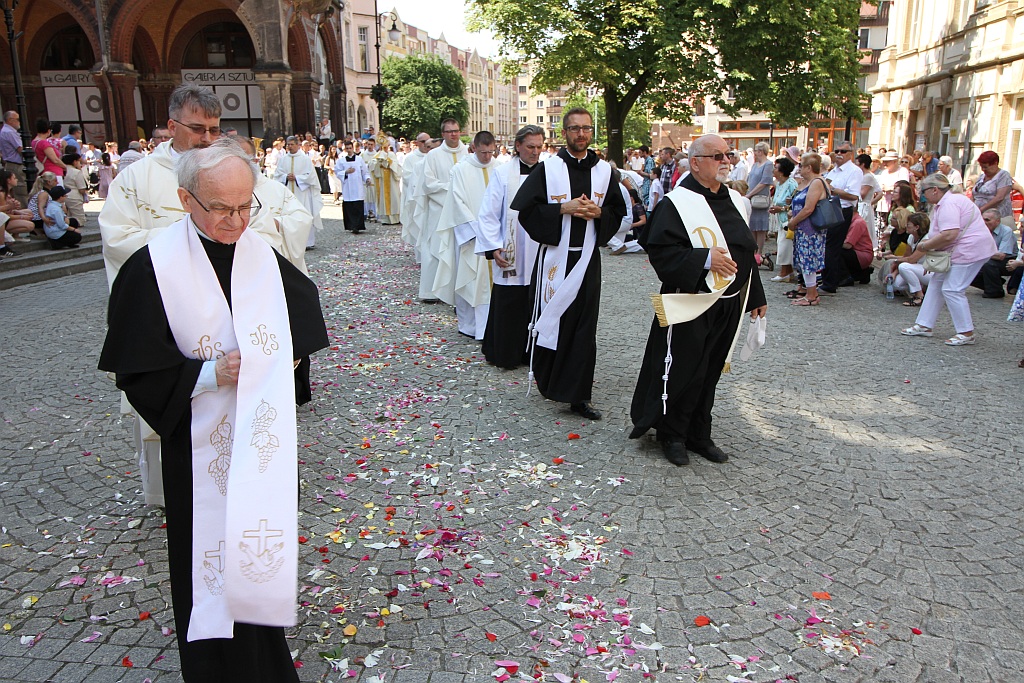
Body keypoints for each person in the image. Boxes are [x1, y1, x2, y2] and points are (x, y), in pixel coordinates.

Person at [98, 141, 328, 682]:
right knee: (208, 562)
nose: (237, 221)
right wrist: (209, 374)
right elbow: (138, 368)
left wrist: (288, 356)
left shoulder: (258, 253)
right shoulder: (152, 267)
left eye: (246, 206)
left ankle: (267, 665)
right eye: (222, 208)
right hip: (196, 443)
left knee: (255, 553)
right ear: (186, 199)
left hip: (261, 439)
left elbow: (303, 314)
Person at [99, 84, 284, 509]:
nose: (207, 138)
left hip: (233, 314)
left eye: (214, 129)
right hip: (170, 314)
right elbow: (117, 239)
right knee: (170, 424)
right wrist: (182, 244)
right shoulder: (138, 178)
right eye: (198, 128)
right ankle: (168, 496)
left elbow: (264, 229)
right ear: (171, 125)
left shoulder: (228, 170)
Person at [629, 134, 766, 466]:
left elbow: (746, 251)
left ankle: (699, 433)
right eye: (717, 156)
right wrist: (704, 259)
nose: (726, 161)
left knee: (710, 369)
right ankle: (672, 434)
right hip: (691, 300)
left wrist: (756, 296)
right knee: (682, 368)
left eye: (727, 155)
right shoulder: (675, 203)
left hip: (729, 301)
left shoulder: (736, 200)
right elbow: (661, 253)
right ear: (695, 162)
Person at [509, 107, 627, 420]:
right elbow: (526, 211)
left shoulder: (604, 172)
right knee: (553, 318)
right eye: (574, 129)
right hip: (554, 258)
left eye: (586, 128)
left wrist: (599, 213)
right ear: (564, 133)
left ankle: (578, 395)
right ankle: (549, 381)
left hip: (586, 259)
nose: (581, 134)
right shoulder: (548, 169)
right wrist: (563, 208)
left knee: (584, 327)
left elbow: (617, 213)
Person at [476, 124, 544, 369]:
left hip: (540, 247)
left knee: (539, 298)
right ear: (518, 146)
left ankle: (535, 354)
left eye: (539, 147)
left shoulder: (549, 173)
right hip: (512, 248)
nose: (535, 152)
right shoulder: (503, 173)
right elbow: (488, 213)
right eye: (530, 147)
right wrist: (493, 246)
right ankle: (506, 353)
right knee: (510, 300)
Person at [901, 173, 997, 346]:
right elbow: (948, 235)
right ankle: (924, 324)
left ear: (934, 190)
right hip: (964, 250)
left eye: (923, 191)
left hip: (969, 251)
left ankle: (966, 332)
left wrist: (925, 246)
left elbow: (949, 234)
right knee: (937, 284)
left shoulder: (949, 203)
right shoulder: (949, 201)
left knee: (953, 289)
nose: (922, 195)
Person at [432, 131, 498, 339]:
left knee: (493, 281)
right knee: (469, 279)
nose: (487, 157)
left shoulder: (499, 168)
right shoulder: (461, 170)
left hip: (495, 235)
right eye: (483, 152)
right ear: (474, 148)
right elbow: (456, 202)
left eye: (491, 152)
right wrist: (477, 229)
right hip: (472, 236)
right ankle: (470, 326)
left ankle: (494, 327)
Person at [233, 135, 314, 274]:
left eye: (244, 159)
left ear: (255, 160)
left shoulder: (276, 189)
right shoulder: (215, 192)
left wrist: (277, 224)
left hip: (274, 267)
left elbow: (302, 218)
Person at [417, 119, 468, 301]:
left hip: (463, 209)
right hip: (439, 209)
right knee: (436, 247)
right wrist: (451, 189)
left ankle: (459, 290)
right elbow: (428, 184)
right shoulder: (433, 155)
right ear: (443, 134)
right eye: (449, 131)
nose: (453, 134)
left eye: (456, 130)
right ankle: (432, 291)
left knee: (461, 249)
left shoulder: (468, 153)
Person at [785, 153, 830, 306]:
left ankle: (811, 295)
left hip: (810, 229)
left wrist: (793, 222)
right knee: (804, 260)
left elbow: (809, 208)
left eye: (801, 166)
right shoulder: (811, 182)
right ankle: (810, 292)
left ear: (809, 168)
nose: (799, 169)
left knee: (808, 260)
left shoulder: (817, 182)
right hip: (805, 228)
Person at [820, 140, 863, 294]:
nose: (839, 154)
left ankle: (830, 283)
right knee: (826, 245)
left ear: (850, 154)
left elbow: (853, 196)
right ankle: (828, 278)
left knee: (831, 247)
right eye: (837, 151)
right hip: (829, 208)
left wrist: (832, 189)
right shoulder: (834, 170)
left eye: (843, 151)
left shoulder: (854, 171)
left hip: (842, 209)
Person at [273, 136, 322, 251]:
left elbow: (311, 176)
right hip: (287, 192)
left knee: (304, 215)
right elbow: (277, 175)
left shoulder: (305, 159)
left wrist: (298, 178)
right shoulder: (283, 159)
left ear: (297, 145)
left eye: (292, 144)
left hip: (302, 192)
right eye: (288, 145)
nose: (289, 147)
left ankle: (307, 242)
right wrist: (286, 177)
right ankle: (290, 241)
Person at [886, 212, 932, 306]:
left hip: (929, 270)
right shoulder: (911, 237)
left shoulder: (926, 239)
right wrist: (894, 273)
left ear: (917, 227)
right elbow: (906, 257)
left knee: (904, 267)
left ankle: (919, 295)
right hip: (917, 269)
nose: (906, 226)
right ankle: (921, 288)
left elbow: (911, 260)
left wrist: (895, 260)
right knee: (896, 284)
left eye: (908, 224)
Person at [970, 208, 1019, 298]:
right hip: (989, 257)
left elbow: (1001, 256)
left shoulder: (1006, 231)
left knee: (988, 264)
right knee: (967, 268)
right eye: (982, 219)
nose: (984, 222)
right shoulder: (980, 230)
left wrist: (977, 253)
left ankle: (994, 291)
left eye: (987, 220)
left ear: (997, 221)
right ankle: (996, 284)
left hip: (1009, 260)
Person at [400, 133, 430, 260]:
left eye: (428, 141)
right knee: (419, 227)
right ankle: (421, 256)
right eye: (423, 142)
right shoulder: (411, 158)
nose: (426, 144)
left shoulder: (434, 156)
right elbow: (407, 177)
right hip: (417, 198)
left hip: (431, 198)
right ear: (417, 143)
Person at [768, 156, 798, 283]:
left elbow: (795, 203)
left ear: (781, 171)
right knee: (782, 244)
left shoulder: (791, 184)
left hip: (788, 219)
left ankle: (784, 272)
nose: (773, 170)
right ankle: (788, 271)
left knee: (785, 246)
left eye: (776, 168)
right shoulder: (779, 184)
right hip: (780, 220)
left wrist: (780, 209)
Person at [334, 139, 371, 233]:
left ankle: (358, 226)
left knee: (358, 207)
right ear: (344, 149)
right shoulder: (341, 160)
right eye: (347, 148)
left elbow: (364, 172)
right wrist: (346, 172)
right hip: (348, 187)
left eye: (350, 148)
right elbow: (337, 172)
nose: (349, 150)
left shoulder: (359, 159)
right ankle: (351, 226)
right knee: (349, 208)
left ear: (353, 148)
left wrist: (367, 179)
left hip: (358, 187)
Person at [972, 150, 1015, 228]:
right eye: (981, 167)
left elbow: (999, 197)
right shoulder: (982, 176)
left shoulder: (1003, 175)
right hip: (979, 215)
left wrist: (981, 209)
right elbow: (974, 194)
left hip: (995, 217)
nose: (983, 169)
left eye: (985, 167)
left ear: (995, 163)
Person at [370, 136, 402, 225]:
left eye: (386, 146)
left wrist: (388, 162)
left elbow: (396, 165)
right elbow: (372, 166)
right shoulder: (376, 155)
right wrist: (377, 163)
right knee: (383, 199)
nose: (384, 148)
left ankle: (395, 218)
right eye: (382, 147)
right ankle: (385, 219)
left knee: (394, 197)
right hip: (382, 180)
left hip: (391, 179)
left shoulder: (391, 154)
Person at [42, 185, 83, 250]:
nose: (66, 197)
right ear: (60, 197)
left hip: (54, 228)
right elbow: (62, 225)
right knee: (77, 237)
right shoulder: (56, 209)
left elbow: (63, 218)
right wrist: (74, 230)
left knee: (73, 221)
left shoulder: (53, 204)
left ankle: (65, 241)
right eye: (65, 196)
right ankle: (56, 243)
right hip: (55, 232)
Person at [1, 110, 28, 207]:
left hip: (11, 163)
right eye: (17, 119)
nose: (19, 122)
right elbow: (21, 148)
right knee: (21, 190)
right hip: (15, 164)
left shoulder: (5, 131)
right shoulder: (9, 132)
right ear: (10, 120)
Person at [840, 212, 875, 285]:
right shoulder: (854, 220)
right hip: (858, 252)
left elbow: (847, 245)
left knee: (836, 251)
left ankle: (845, 277)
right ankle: (861, 273)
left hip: (862, 254)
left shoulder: (857, 223)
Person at [856, 153, 881, 246]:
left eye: (857, 164)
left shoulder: (868, 176)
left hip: (863, 206)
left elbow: (862, 194)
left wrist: (870, 203)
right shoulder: (865, 175)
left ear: (862, 164)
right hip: (863, 205)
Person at [62, 153, 89, 226]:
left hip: (62, 195)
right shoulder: (76, 172)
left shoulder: (62, 170)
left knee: (67, 215)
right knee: (80, 220)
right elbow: (81, 188)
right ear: (75, 162)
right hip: (74, 195)